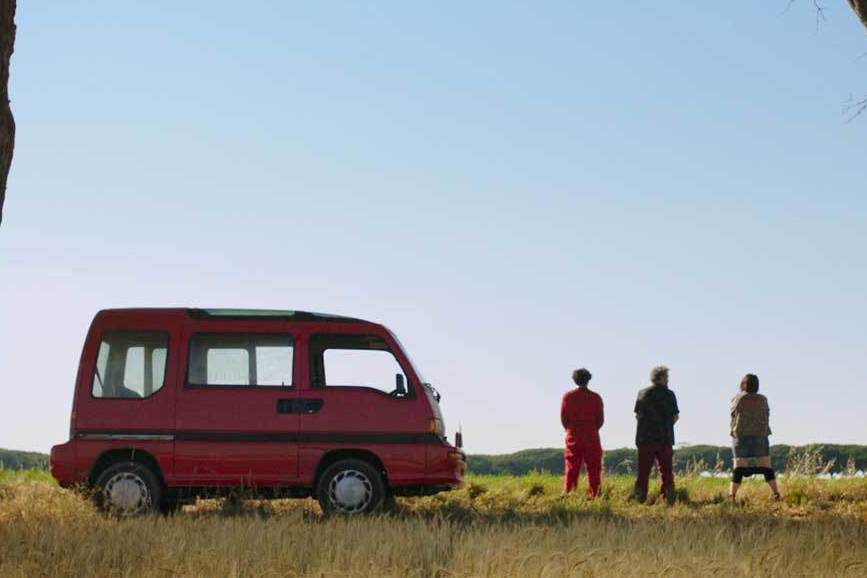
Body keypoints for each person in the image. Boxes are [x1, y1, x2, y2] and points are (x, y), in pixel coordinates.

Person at [730, 373, 781, 501]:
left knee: (739, 467)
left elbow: (732, 414)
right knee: (766, 466)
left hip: (741, 436)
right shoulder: (763, 399)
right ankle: (776, 494)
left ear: (743, 385)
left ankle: (732, 495)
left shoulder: (738, 399)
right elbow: (767, 414)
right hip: (760, 435)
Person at [633, 365, 679, 504]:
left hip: (645, 438)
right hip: (664, 438)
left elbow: (637, 415)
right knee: (666, 472)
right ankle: (668, 498)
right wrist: (666, 426)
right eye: (667, 377)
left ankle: (639, 498)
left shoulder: (642, 393)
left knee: (643, 472)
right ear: (661, 378)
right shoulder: (669, 394)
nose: (668, 380)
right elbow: (675, 416)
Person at [560, 368, 604, 497]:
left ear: (575, 380)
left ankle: (569, 492)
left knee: (572, 466)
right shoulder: (595, 397)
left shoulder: (568, 397)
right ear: (588, 379)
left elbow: (564, 419)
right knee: (594, 467)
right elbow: (600, 420)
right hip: (591, 435)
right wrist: (592, 429)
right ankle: (594, 494)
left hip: (573, 435)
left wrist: (570, 429)